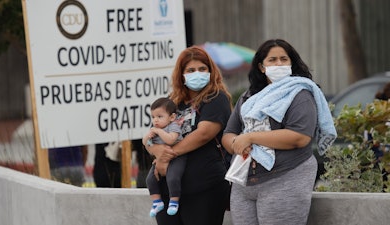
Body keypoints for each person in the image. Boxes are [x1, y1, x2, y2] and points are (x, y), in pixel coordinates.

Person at [222, 39, 337, 225]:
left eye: (284, 59)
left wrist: (250, 137)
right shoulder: (249, 97)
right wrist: (236, 144)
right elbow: (229, 133)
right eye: (272, 60)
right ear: (261, 66)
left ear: (291, 64)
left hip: (285, 177)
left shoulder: (300, 94)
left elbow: (299, 137)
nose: (279, 64)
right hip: (244, 182)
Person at [144, 45, 232, 225]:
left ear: (210, 71)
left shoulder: (216, 98)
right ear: (181, 74)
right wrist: (156, 151)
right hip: (168, 191)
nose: (197, 73)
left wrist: (168, 154)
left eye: (202, 69)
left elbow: (204, 134)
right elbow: (152, 134)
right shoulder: (172, 101)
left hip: (204, 187)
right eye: (190, 70)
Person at [143, 97, 184, 217]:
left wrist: (158, 131)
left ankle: (174, 201)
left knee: (173, 177)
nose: (155, 120)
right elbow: (146, 143)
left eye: (159, 117)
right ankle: (157, 202)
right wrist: (147, 138)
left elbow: (171, 140)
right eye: (153, 117)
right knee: (150, 179)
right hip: (160, 158)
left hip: (177, 157)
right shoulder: (155, 129)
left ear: (171, 117)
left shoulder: (173, 126)